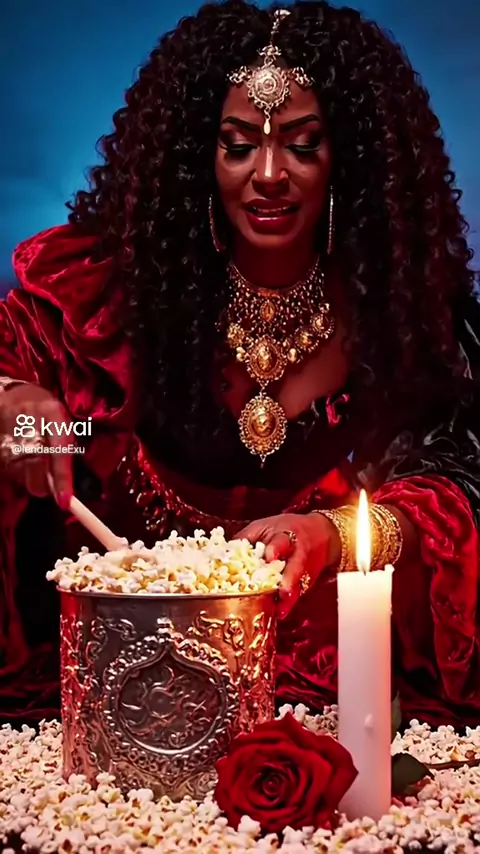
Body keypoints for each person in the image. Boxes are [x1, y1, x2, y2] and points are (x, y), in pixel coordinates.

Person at [0, 0, 479, 730]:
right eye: (237, 146)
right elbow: (15, 366)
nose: (269, 174)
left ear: (348, 159)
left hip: (327, 654)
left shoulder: (404, 311)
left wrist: (341, 534)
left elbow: (461, 484)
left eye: (303, 145)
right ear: (200, 155)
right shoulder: (112, 288)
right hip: (126, 647)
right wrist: (12, 400)